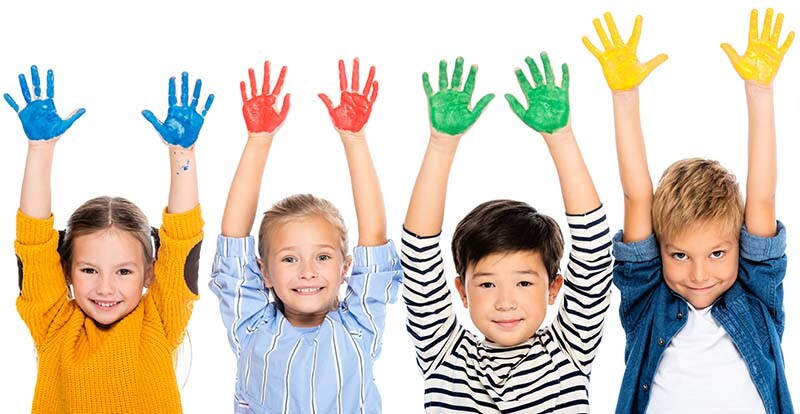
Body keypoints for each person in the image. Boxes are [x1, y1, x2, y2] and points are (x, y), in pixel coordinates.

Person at [583, 10, 794, 413]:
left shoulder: (756, 298)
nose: (698, 275)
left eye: (717, 253)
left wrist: (760, 91)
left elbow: (762, 197)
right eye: (679, 255)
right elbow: (636, 198)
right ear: (659, 250)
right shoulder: (648, 301)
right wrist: (624, 97)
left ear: (739, 246)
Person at [400, 55, 612, 413]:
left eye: (524, 283)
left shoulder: (569, 350)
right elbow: (418, 254)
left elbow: (593, 249)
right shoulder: (444, 354)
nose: (505, 301)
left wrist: (560, 138)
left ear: (553, 288)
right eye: (486, 284)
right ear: (462, 292)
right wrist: (442, 144)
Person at [10, 66, 211, 412]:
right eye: (89, 270)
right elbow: (33, 244)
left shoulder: (161, 319)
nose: (105, 288)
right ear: (65, 270)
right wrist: (39, 150)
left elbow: (181, 241)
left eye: (123, 272)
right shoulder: (54, 323)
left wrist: (183, 154)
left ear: (149, 272)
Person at [209, 58, 402, 413]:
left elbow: (374, 238)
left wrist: (354, 139)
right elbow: (233, 240)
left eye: (323, 257)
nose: (307, 272)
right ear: (264, 271)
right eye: (289, 258)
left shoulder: (360, 326)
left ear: (346, 267)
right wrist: (259, 140)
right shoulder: (251, 326)